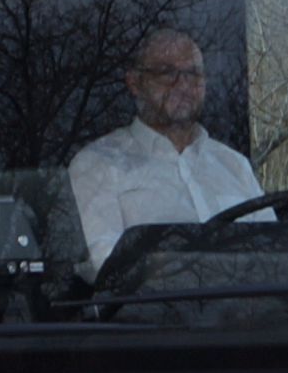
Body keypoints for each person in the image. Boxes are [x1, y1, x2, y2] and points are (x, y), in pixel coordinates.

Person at [69, 28, 262, 268]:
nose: (182, 84)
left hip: (250, 305)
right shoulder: (97, 166)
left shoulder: (235, 166)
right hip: (154, 306)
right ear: (134, 82)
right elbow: (106, 272)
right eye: (166, 72)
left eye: (193, 73)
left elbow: (279, 260)